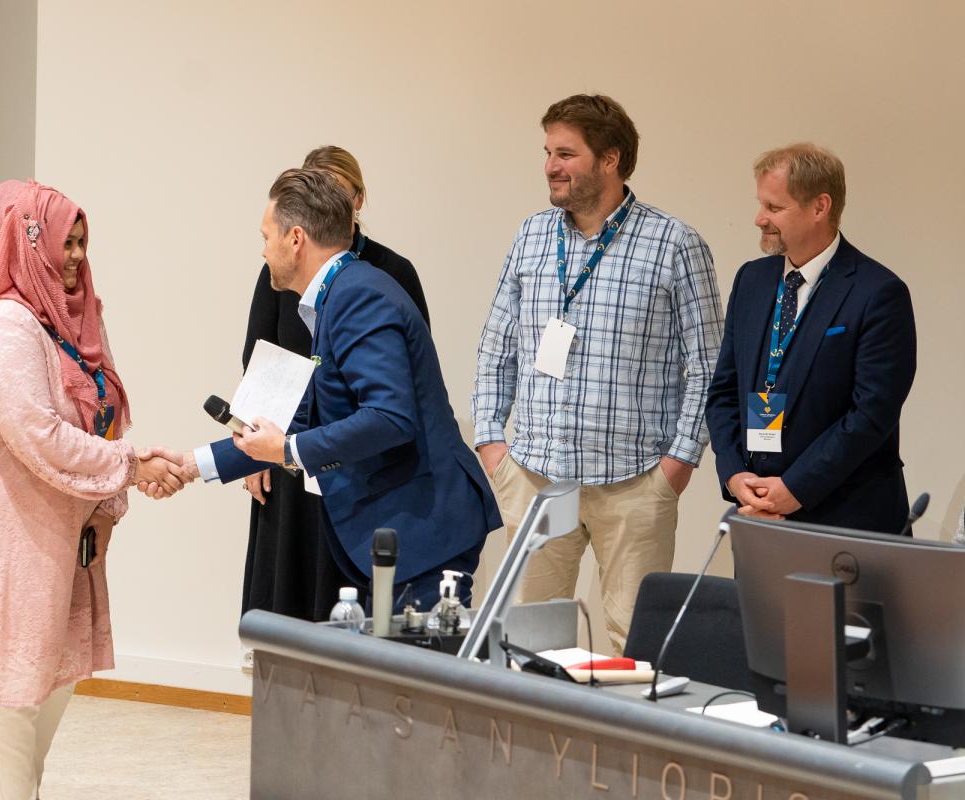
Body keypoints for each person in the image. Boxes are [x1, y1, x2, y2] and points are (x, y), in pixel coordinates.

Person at [0, 179, 184, 799]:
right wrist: (131, 465)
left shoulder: (76, 319)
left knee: (52, 673)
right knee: (9, 680)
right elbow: (37, 433)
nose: (74, 258)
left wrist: (111, 495)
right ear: (23, 242)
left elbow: (105, 413)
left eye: (81, 243)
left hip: (58, 524)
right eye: (64, 244)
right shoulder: (3, 327)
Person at [159, 168, 500, 612]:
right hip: (406, 527)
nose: (263, 251)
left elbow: (389, 417)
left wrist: (286, 450)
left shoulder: (358, 297)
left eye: (266, 237)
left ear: (296, 238)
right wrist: (191, 464)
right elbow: (308, 418)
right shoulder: (338, 293)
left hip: (422, 532)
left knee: (410, 678)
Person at [471, 95, 723, 654]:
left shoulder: (675, 244)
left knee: (634, 647)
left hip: (633, 482)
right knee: (528, 643)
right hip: (537, 476)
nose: (551, 167)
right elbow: (497, 345)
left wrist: (678, 464)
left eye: (566, 153)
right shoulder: (532, 235)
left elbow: (708, 364)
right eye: (548, 152)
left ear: (610, 160)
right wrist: (491, 442)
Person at [239, 145, 431, 621]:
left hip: (355, 461)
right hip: (288, 449)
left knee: (346, 604)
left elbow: (398, 395)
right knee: (287, 600)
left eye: (336, 194)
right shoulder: (279, 271)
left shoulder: (386, 275)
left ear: (358, 200)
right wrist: (249, 449)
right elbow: (259, 359)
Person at [705, 143, 917, 534]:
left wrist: (796, 487)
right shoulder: (751, 280)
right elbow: (723, 391)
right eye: (760, 204)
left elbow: (871, 414)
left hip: (847, 518)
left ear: (820, 207)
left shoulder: (878, 292)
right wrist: (735, 476)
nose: (758, 218)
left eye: (774, 207)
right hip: (758, 510)